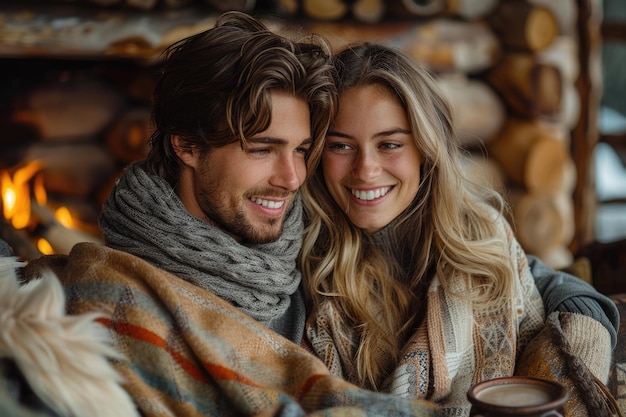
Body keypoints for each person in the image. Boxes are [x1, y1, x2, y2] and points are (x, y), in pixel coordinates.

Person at [22, 12, 444, 417]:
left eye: (300, 150)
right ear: (186, 145)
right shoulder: (116, 292)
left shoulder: (318, 249)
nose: (292, 178)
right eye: (262, 149)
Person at [299, 42, 618, 416]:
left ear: (426, 147)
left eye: (389, 144)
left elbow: (533, 277)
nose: (366, 169)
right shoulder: (306, 261)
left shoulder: (482, 238)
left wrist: (584, 314)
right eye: (341, 146)